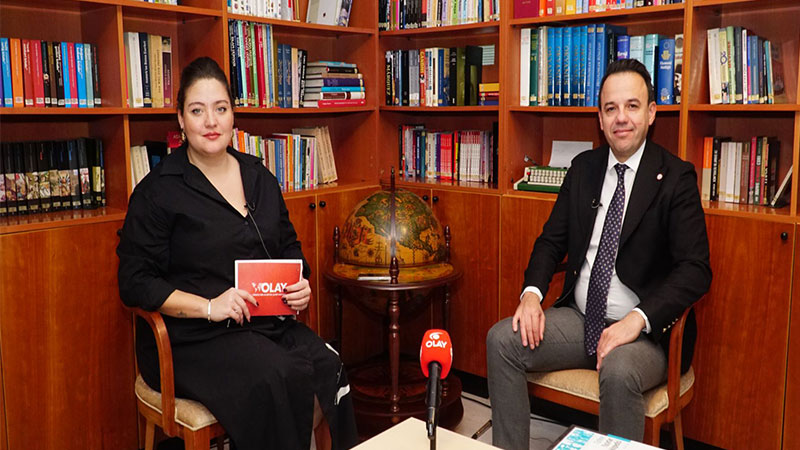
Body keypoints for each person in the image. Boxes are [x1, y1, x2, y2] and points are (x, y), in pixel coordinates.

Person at [117, 57, 358, 450]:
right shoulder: (157, 192)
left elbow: (289, 247)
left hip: (263, 324)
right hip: (191, 338)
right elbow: (135, 282)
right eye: (197, 111)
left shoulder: (259, 176)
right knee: (276, 377)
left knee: (328, 364)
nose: (211, 121)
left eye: (221, 108)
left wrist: (300, 282)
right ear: (180, 120)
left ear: (233, 115)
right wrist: (210, 307)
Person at [486, 59, 711, 449]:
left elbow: (695, 270)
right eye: (611, 108)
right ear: (600, 119)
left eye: (632, 106)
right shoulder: (583, 168)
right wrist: (531, 294)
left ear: (651, 113)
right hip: (580, 319)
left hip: (644, 336)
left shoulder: (676, 177)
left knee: (619, 371)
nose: (621, 117)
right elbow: (550, 242)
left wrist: (636, 320)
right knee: (501, 340)